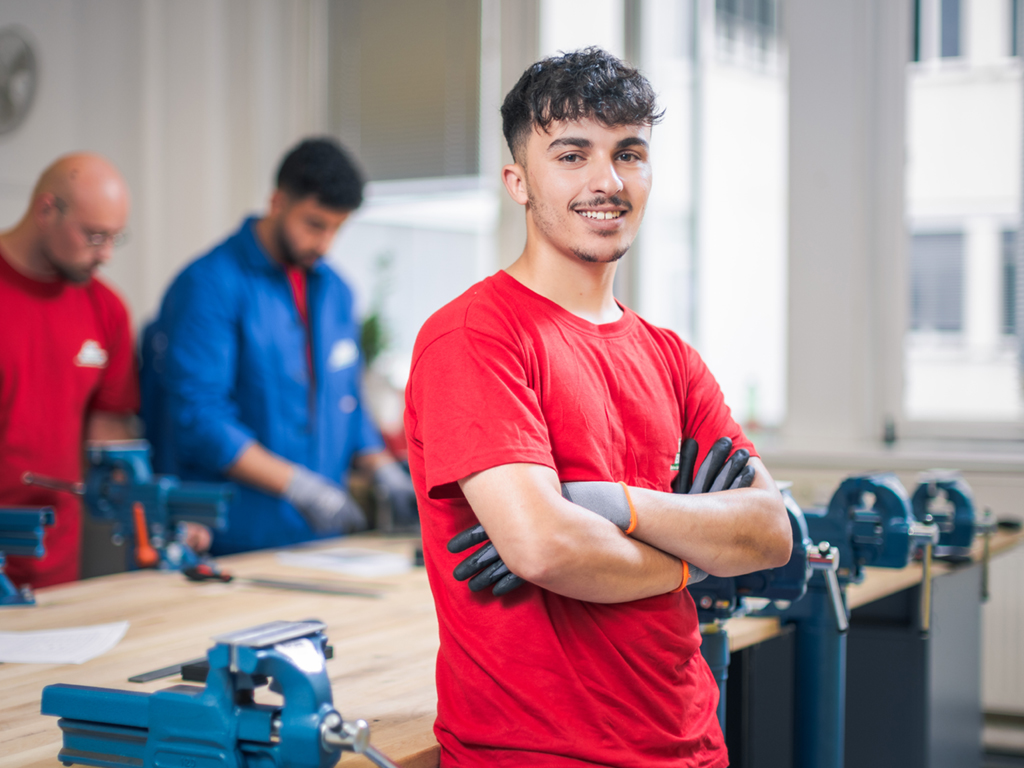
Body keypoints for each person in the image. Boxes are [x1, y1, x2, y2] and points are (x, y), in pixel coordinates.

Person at [404, 48, 792, 767]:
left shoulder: (672, 358)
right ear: (518, 182)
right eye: (573, 154)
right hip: (536, 754)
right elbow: (545, 547)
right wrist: (693, 561)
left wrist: (601, 501)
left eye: (630, 154)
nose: (607, 181)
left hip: (692, 745)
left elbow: (770, 533)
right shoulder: (474, 336)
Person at [142, 137, 416, 556]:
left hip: (322, 542)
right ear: (277, 202)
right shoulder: (208, 286)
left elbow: (345, 399)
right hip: (238, 539)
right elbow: (200, 417)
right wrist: (298, 486)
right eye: (313, 224)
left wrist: (381, 466)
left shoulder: (337, 292)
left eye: (336, 228)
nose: (324, 243)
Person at [0, 153, 138, 588]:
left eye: (116, 237)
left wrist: (150, 509)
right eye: (95, 236)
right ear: (46, 210)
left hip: (56, 564)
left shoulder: (107, 311)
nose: (107, 254)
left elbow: (109, 445)